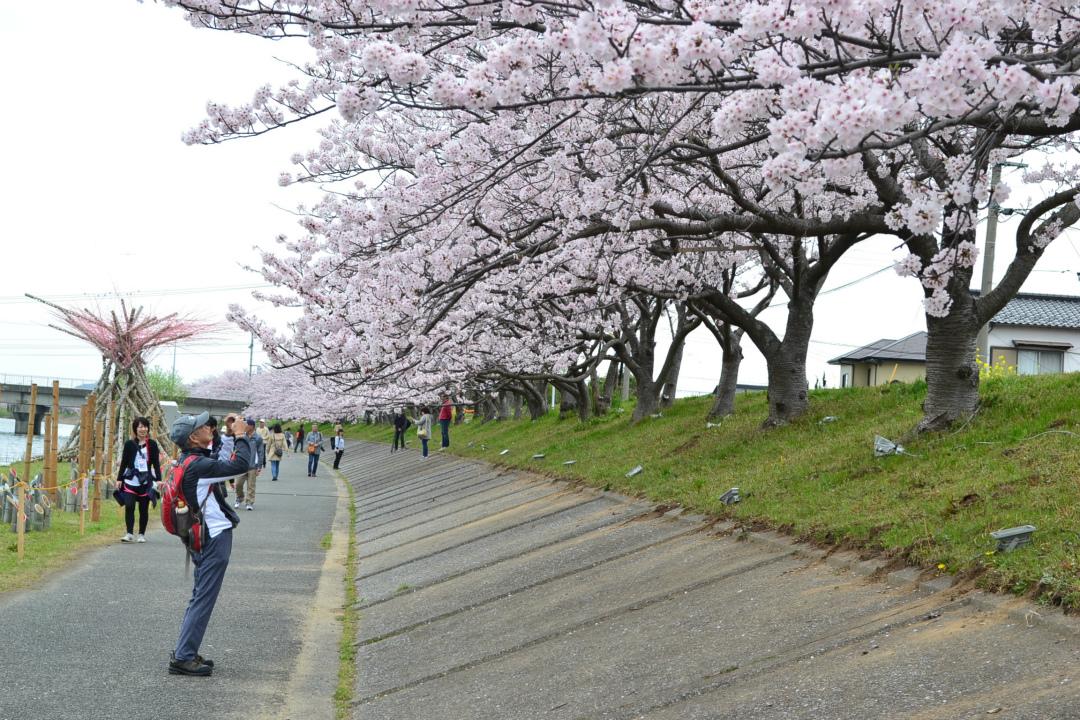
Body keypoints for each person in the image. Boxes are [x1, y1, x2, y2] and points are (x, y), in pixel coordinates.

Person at [167, 412, 251, 677]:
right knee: (203, 597)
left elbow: (218, 459)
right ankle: (183, 657)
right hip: (213, 537)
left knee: (199, 595)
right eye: (203, 427)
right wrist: (239, 435)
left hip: (201, 536)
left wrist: (226, 435)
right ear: (193, 437)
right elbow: (240, 465)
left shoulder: (188, 461)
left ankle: (185, 650)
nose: (209, 427)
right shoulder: (198, 467)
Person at [115, 416, 162, 543]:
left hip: (145, 481)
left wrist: (158, 479)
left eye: (145, 426)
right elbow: (124, 462)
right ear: (135, 429)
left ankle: (141, 534)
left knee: (143, 509)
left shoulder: (152, 444)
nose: (143, 429)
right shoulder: (129, 444)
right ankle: (129, 533)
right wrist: (119, 479)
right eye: (140, 426)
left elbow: (156, 464)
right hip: (131, 480)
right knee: (129, 506)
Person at [234, 417, 263, 511]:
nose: (245, 426)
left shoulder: (258, 438)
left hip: (252, 466)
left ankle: (249, 502)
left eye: (247, 425)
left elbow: (260, 452)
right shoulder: (242, 436)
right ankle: (240, 497)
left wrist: (259, 466)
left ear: (252, 426)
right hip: (241, 464)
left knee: (251, 485)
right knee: (238, 484)